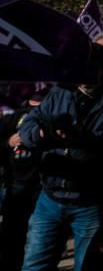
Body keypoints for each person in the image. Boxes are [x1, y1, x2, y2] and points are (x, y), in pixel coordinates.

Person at [18, 42, 103, 271]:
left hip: (92, 202)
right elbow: (28, 126)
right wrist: (43, 134)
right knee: (34, 265)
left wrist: (81, 138)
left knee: (89, 265)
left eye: (89, 67)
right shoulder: (61, 91)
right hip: (50, 198)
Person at [0, 90, 44, 271]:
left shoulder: (52, 118)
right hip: (18, 184)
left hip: (44, 186)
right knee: (13, 235)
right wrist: (8, 143)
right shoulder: (12, 119)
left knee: (41, 238)